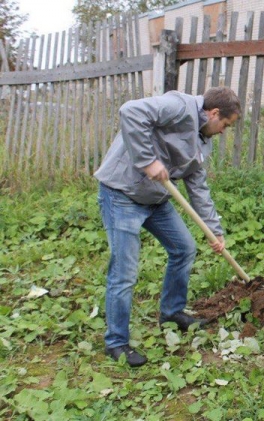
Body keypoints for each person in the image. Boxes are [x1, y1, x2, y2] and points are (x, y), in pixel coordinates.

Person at [94, 87, 241, 367]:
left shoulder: (202, 141)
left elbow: (197, 186)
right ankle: (116, 342)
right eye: (225, 125)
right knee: (124, 272)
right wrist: (148, 160)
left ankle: (172, 313)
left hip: (156, 200)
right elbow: (131, 111)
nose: (224, 131)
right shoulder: (178, 106)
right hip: (122, 193)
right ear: (214, 113)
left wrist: (214, 229)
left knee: (184, 249)